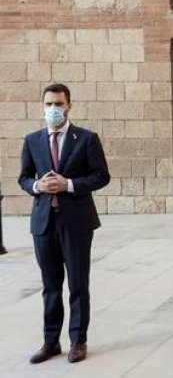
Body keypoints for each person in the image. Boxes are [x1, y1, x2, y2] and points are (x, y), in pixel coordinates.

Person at [18, 83, 111, 364]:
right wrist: (37, 185)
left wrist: (68, 184)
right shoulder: (32, 140)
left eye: (58, 104)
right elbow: (23, 178)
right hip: (43, 223)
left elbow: (101, 176)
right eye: (48, 104)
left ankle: (78, 341)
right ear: (42, 106)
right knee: (50, 285)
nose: (53, 109)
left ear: (69, 105)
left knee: (78, 284)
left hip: (76, 222)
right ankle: (50, 341)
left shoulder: (85, 138)